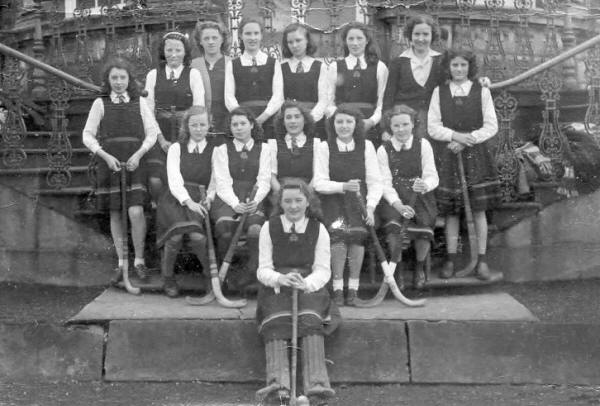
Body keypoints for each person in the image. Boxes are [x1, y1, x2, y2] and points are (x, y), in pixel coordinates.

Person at [256, 178, 338, 406]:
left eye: (298, 201)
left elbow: (323, 270)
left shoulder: (318, 229)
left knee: (310, 317)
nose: (293, 206)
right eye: (288, 201)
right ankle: (278, 386)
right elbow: (263, 269)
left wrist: (307, 284)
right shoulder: (269, 227)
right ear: (280, 203)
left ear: (308, 202)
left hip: (309, 285)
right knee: (276, 318)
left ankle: (317, 386)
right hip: (277, 286)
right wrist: (280, 279)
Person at [82, 57, 159, 283]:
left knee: (135, 211)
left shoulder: (139, 102)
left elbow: (152, 132)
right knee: (116, 212)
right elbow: (87, 134)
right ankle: (121, 262)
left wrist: (139, 154)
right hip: (111, 163)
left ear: (129, 79)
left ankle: (140, 261)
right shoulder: (100, 103)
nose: (118, 82)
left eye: (122, 77)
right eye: (114, 78)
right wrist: (104, 156)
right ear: (108, 80)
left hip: (134, 162)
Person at [428, 48, 500, 280]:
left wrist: (468, 140)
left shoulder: (482, 91)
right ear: (448, 68)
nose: (459, 69)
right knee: (451, 213)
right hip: (449, 154)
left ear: (470, 67)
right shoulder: (439, 92)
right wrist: (454, 136)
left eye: (463, 65)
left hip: (476, 156)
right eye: (454, 65)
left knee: (478, 210)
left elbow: (491, 125)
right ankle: (450, 260)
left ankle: (481, 261)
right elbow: (433, 126)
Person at [313, 106, 382, 306]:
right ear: (332, 125)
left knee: (357, 237)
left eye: (348, 122)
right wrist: (342, 186)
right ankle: (337, 290)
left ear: (356, 125)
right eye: (339, 122)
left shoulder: (367, 146)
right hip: (332, 201)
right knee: (339, 237)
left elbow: (375, 181)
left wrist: (370, 208)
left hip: (359, 202)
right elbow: (319, 183)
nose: (344, 126)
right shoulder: (325, 147)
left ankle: (353, 289)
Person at [156, 106, 216, 298]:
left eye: (202, 124)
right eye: (194, 125)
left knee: (198, 238)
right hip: (175, 198)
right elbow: (174, 180)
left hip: (201, 196)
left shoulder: (216, 149)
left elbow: (216, 179)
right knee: (175, 237)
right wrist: (188, 201)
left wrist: (209, 197)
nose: (198, 129)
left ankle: (210, 277)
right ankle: (168, 277)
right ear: (187, 126)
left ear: (209, 125)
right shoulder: (176, 148)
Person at [377, 105, 439, 289]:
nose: (401, 129)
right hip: (394, 199)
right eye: (396, 126)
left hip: (419, 195)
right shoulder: (384, 150)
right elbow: (385, 184)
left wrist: (425, 185)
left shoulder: (423, 144)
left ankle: (419, 267)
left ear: (413, 124)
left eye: (405, 124)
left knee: (425, 226)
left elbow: (432, 175)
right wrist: (398, 206)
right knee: (394, 226)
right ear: (390, 127)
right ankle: (399, 269)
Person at [211, 107, 271, 289]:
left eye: (243, 123)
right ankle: (226, 274)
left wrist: (254, 201)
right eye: (234, 124)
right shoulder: (221, 150)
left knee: (255, 230)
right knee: (225, 230)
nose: (239, 128)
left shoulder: (265, 149)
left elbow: (264, 179)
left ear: (252, 125)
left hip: (254, 198)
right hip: (228, 199)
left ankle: (252, 271)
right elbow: (221, 182)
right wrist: (235, 204)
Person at [145, 31, 205, 203]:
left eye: (178, 50)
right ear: (163, 52)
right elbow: (148, 112)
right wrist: (161, 140)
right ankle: (161, 206)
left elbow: (198, 108)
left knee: (183, 176)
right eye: (169, 50)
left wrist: (183, 137)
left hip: (184, 134)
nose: (173, 54)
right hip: (159, 133)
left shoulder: (193, 74)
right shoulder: (153, 75)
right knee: (155, 180)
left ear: (185, 52)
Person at [382, 15, 443, 141]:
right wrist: (386, 129)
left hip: (432, 122)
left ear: (432, 36)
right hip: (404, 123)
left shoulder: (441, 61)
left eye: (425, 34)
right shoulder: (398, 62)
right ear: (410, 35)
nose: (421, 39)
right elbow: (388, 97)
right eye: (416, 34)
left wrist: (483, 81)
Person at [328, 22, 388, 146]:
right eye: (351, 39)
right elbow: (329, 101)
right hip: (341, 125)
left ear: (367, 41)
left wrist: (371, 121)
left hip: (369, 125)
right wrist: (340, 119)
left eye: (359, 38)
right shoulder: (335, 67)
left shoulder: (379, 67)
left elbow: (383, 102)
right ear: (345, 41)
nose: (355, 43)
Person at [224, 18, 284, 140]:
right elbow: (229, 96)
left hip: (269, 119)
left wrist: (263, 117)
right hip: (242, 122)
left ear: (261, 35)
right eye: (248, 33)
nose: (252, 38)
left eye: (256, 33)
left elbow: (278, 96)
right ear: (241, 35)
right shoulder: (233, 64)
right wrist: (243, 118)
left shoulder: (273, 63)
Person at [280, 23, 330, 140]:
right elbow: (280, 98)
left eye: (298, 40)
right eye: (290, 42)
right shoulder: (281, 68)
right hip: (290, 124)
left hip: (314, 122)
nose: (294, 45)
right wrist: (294, 120)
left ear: (307, 40)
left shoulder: (320, 66)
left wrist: (308, 119)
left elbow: (323, 100)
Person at [269, 101, 318, 203]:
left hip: (308, 195)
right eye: (288, 117)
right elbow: (271, 177)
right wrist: (284, 197)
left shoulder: (316, 144)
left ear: (304, 120)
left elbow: (317, 175)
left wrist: (305, 196)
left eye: (297, 117)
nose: (293, 121)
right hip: (280, 196)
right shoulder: (273, 144)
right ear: (283, 121)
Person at [191, 21, 230, 137]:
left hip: (227, 120)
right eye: (206, 38)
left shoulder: (232, 63)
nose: (211, 42)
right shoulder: (193, 65)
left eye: (214, 37)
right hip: (201, 123)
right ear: (200, 42)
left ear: (222, 39)